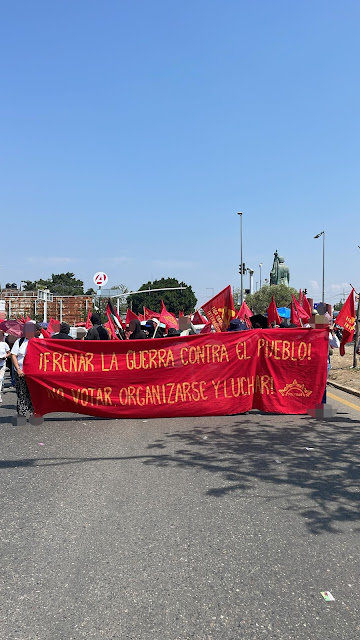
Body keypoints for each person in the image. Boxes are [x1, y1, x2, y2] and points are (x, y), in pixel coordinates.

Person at [11, 323, 42, 417]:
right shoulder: (20, 341)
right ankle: (22, 414)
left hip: (34, 373)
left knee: (34, 393)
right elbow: (13, 355)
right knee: (21, 393)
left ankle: (34, 412)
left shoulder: (40, 341)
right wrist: (18, 369)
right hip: (21, 372)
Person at [0, 330, 10, 403]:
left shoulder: (4, 344)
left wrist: (5, 356)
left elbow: (9, 353)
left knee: (0, 379)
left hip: (2, 364)